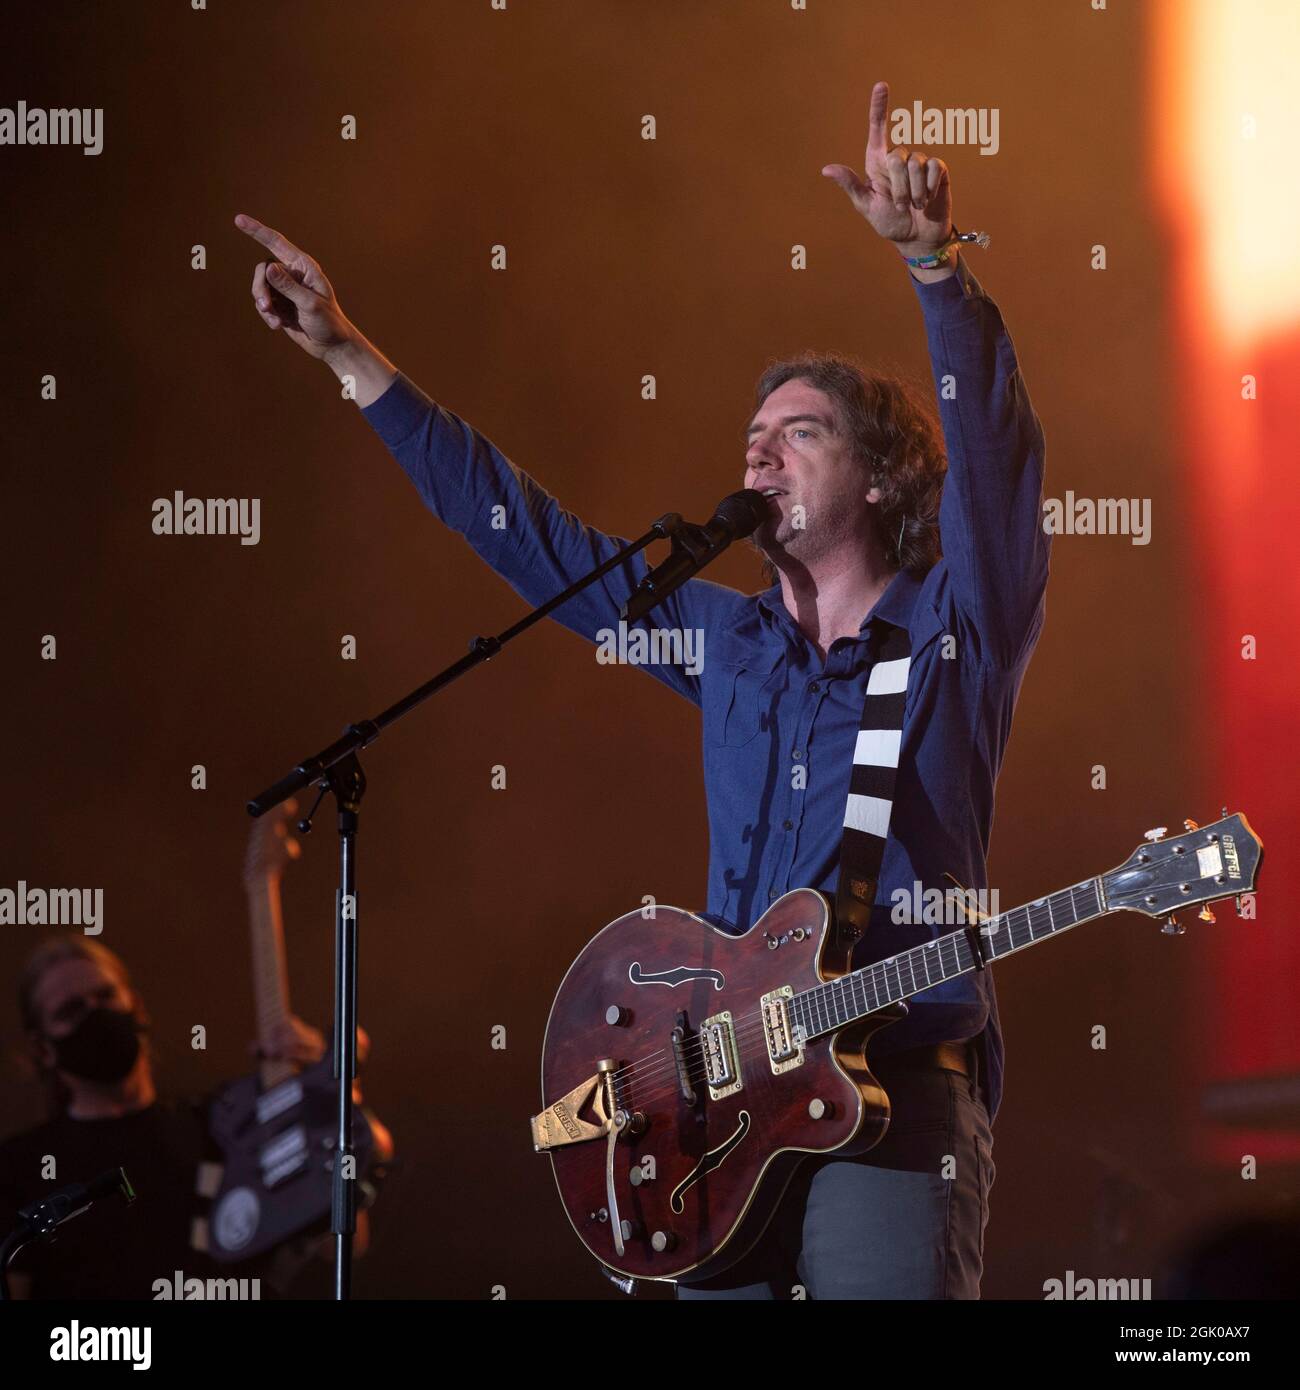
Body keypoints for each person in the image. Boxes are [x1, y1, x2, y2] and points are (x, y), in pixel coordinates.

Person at [236, 77, 1049, 1299]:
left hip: (896, 1106)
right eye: (750, 436)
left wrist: (934, 271)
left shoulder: (955, 632)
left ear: (880, 483)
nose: (757, 450)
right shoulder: (725, 643)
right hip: (717, 1112)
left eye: (801, 433)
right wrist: (352, 358)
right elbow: (532, 539)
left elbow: (995, 470)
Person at [0, 808, 390, 1298]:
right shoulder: (16, 1169)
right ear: (41, 1048)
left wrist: (329, 1091)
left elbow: (343, 1244)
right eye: (71, 1011)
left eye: (105, 998)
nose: (95, 1015)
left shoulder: (222, 1128)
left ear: (136, 1006)